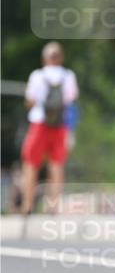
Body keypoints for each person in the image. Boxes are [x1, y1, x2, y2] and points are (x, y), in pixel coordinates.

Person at [20, 41, 79, 215]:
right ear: (61, 58)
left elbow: (30, 100)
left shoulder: (37, 76)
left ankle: (27, 204)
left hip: (39, 123)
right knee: (57, 164)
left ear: (44, 58)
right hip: (60, 124)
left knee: (30, 163)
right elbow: (71, 99)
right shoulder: (68, 76)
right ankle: (53, 205)